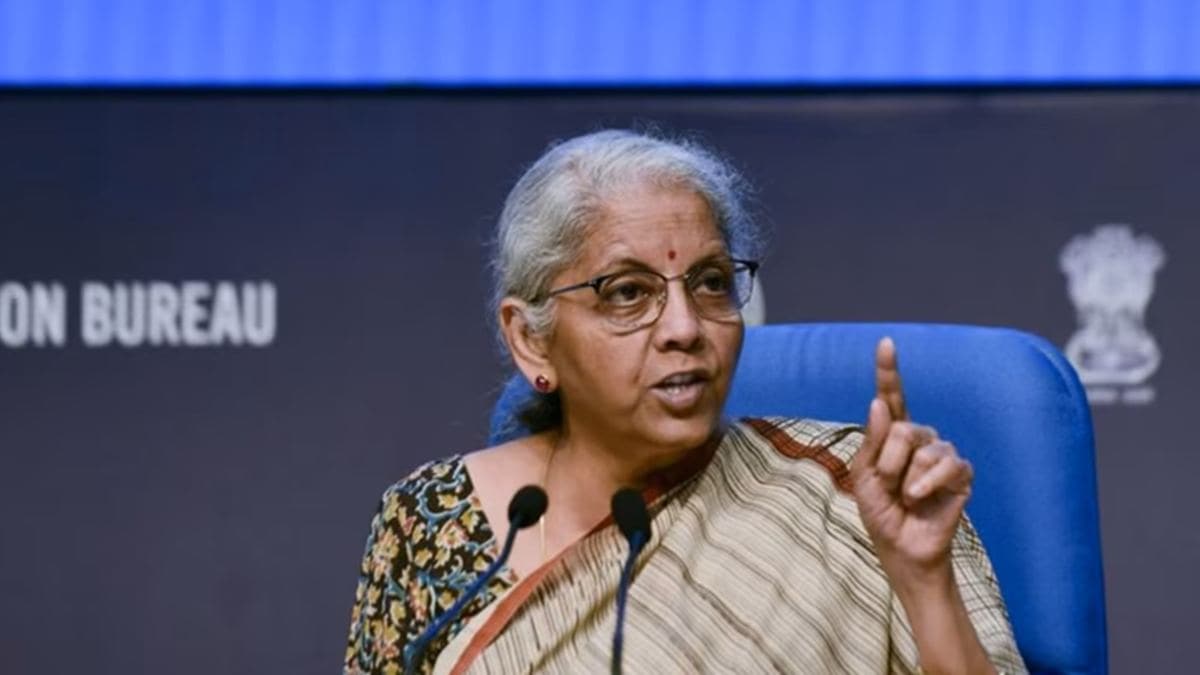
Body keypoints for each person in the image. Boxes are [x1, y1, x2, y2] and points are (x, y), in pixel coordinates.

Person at [343, 129, 1026, 674]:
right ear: (531, 340)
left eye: (710, 282)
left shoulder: (850, 492)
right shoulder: (428, 522)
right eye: (628, 292)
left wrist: (923, 581)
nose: (684, 327)